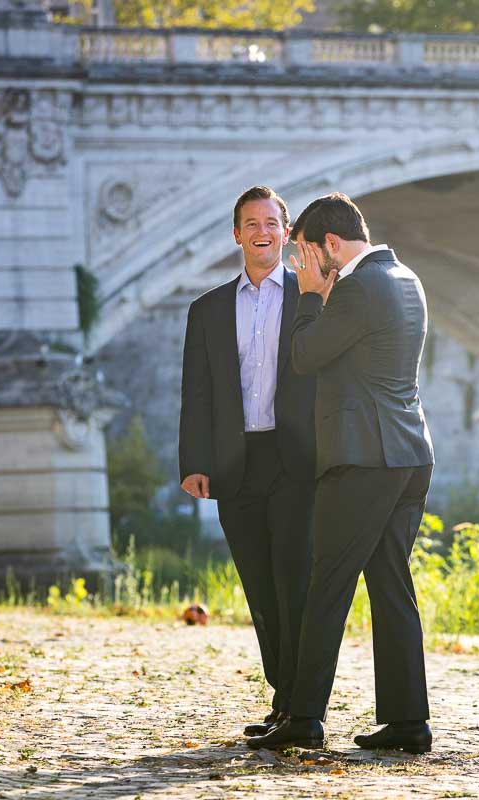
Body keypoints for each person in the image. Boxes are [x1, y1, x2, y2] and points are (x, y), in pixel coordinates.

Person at [247, 193, 435, 754]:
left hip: (363, 459)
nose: (301, 264)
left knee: (325, 586)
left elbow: (305, 355)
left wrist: (308, 296)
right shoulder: (406, 277)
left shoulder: (355, 289)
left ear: (331, 244)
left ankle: (303, 718)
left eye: (304, 253)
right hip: (409, 456)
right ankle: (408, 723)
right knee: (392, 587)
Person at [178, 185, 316, 738]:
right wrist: (194, 461)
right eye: (251, 223)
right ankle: (284, 699)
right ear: (236, 234)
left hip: (296, 461)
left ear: (286, 233)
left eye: (272, 223)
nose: (262, 231)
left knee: (295, 583)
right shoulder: (207, 309)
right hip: (237, 464)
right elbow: (198, 392)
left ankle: (303, 707)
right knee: (260, 587)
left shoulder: (311, 299)